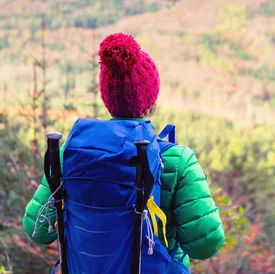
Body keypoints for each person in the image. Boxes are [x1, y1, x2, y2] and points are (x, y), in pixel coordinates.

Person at [22, 32, 225, 271]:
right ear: (151, 100)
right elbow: (206, 244)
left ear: (107, 98)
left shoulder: (73, 152)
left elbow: (36, 228)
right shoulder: (177, 160)